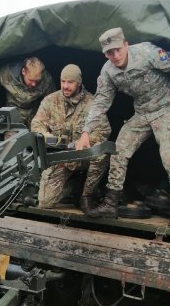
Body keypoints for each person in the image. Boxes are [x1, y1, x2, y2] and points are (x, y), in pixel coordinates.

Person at [79, 28, 170, 228]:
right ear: (105, 54)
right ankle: (110, 204)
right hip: (142, 112)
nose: (115, 55)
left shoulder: (147, 52)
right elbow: (101, 102)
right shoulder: (108, 71)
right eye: (110, 52)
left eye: (118, 49)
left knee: (169, 156)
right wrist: (86, 132)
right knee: (118, 151)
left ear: (126, 44)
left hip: (165, 108)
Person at [31, 64, 111, 213]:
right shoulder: (51, 100)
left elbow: (104, 130)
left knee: (101, 153)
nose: (65, 86)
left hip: (83, 156)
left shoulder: (92, 104)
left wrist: (84, 141)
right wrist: (47, 137)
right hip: (60, 160)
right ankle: (76, 188)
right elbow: (36, 124)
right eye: (63, 81)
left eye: (70, 82)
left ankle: (87, 195)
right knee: (45, 202)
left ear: (79, 83)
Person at [0, 56, 54, 127]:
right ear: (23, 71)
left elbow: (51, 99)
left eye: (37, 81)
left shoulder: (47, 79)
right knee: (11, 136)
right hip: (14, 110)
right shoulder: (7, 73)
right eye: (31, 80)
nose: (34, 84)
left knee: (39, 135)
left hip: (35, 111)